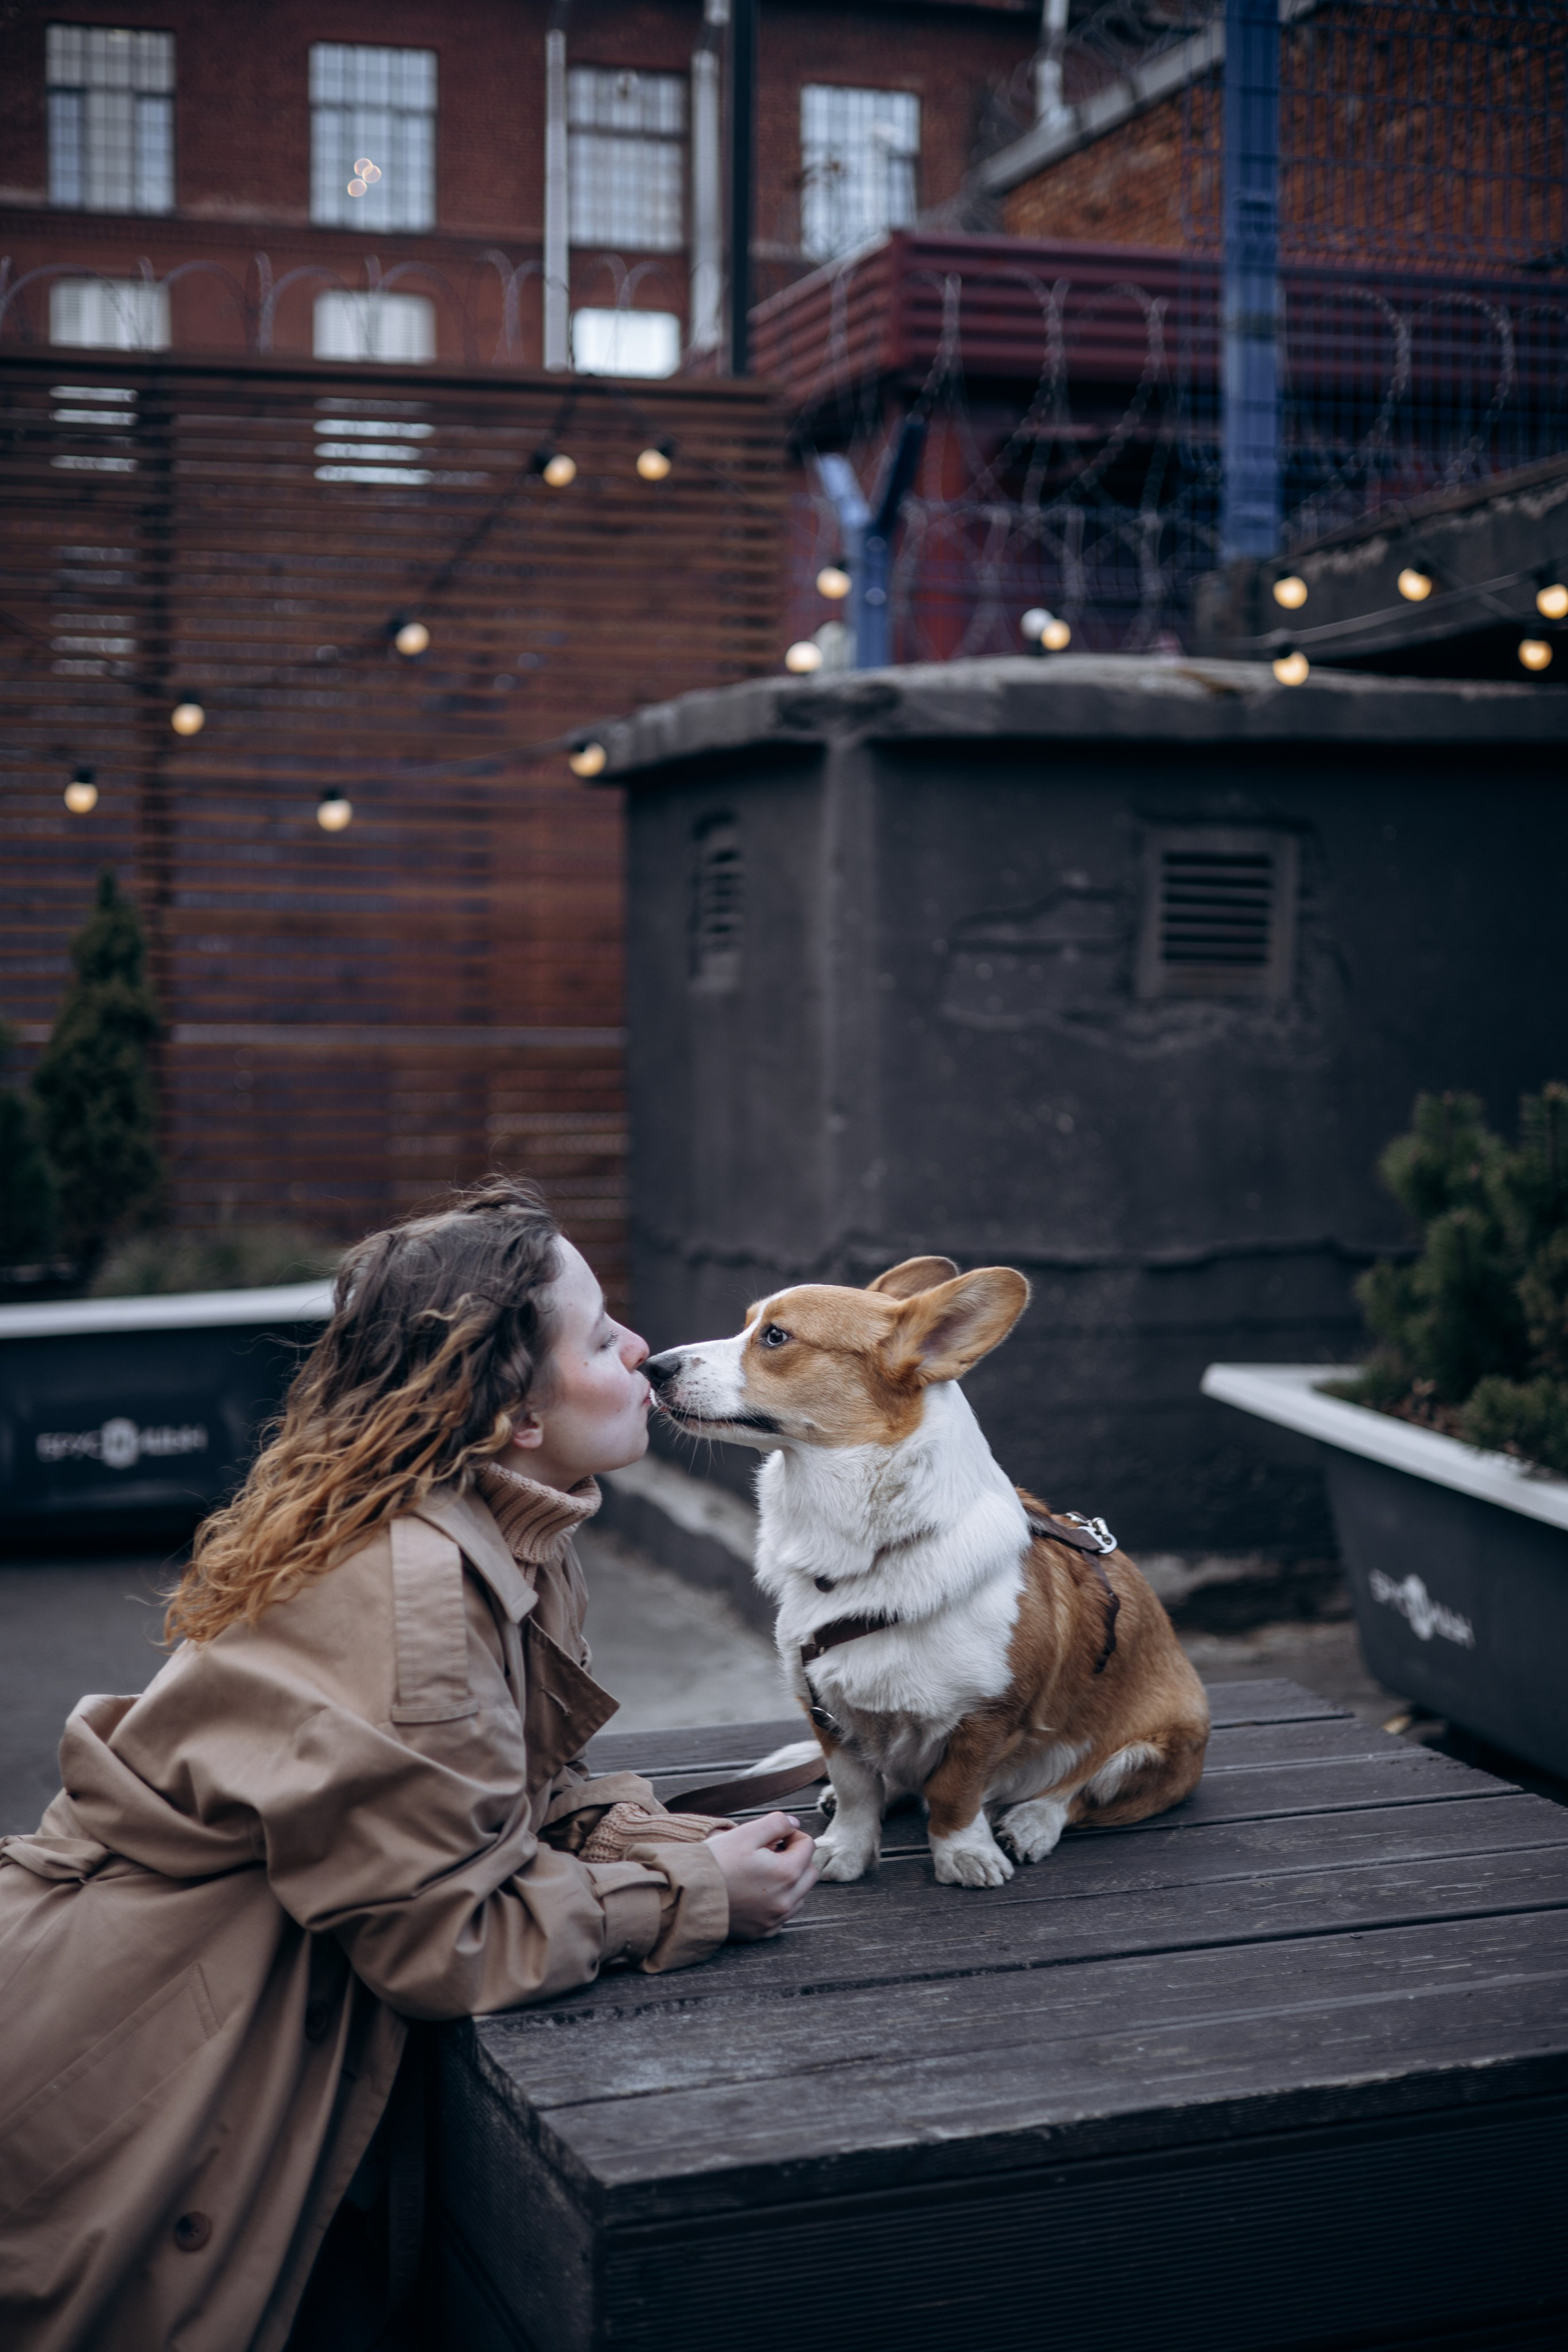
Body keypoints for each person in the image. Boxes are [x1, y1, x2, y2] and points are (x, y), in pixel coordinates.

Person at [0, 1180, 816, 2351]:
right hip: (134, 2066)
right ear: (515, 1415)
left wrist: (642, 1832)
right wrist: (693, 1893)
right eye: (598, 1336)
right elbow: (443, 1939)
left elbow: (488, 1789)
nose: (641, 1348)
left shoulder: (508, 1525)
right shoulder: (420, 1588)